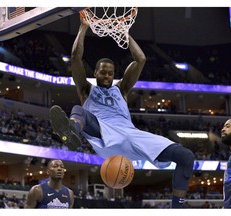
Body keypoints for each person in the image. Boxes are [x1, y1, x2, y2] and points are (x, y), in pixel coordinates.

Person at [49, 14, 194, 208]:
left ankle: (178, 206)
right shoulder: (86, 89)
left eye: (110, 72)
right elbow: (76, 57)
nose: (107, 75)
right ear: (95, 73)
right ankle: (71, 132)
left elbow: (140, 59)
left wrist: (125, 33)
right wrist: (83, 27)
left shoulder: (122, 89)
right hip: (101, 132)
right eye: (103, 72)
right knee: (78, 110)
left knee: (186, 156)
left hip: (131, 136)